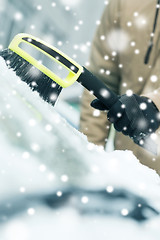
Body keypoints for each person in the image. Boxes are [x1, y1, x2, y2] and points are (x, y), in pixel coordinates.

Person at [79, 0, 160, 174]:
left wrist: (156, 105)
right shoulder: (124, 4)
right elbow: (101, 83)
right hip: (126, 174)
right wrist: (88, 161)